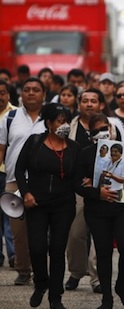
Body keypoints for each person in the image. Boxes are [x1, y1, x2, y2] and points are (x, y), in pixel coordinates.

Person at [16, 103, 80, 309]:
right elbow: (19, 170)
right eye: (60, 121)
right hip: (36, 203)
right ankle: (41, 283)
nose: (64, 125)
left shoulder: (74, 148)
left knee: (57, 248)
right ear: (49, 123)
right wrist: (26, 192)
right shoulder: (34, 142)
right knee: (36, 247)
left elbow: (79, 176)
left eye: (67, 121)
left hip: (63, 205)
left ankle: (55, 296)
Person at [75, 113, 124, 309]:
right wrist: (96, 192)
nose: (102, 133)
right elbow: (76, 184)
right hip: (97, 210)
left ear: (111, 130)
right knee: (103, 252)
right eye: (96, 130)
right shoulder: (85, 153)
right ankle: (107, 298)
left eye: (105, 128)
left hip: (123, 208)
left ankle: (121, 285)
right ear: (90, 133)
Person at [0, 77, 47, 286]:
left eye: (36, 90)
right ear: (21, 94)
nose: (31, 93)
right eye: (27, 89)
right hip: (13, 182)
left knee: (42, 231)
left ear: (43, 94)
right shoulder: (9, 118)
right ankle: (23, 270)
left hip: (44, 182)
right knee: (18, 232)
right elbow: (1, 150)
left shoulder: (51, 118)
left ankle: (42, 271)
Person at [0, 80, 16, 268]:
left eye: (2, 92)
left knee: (11, 214)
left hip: (8, 172)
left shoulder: (15, 115)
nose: (0, 96)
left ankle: (13, 255)